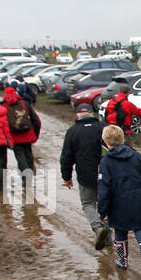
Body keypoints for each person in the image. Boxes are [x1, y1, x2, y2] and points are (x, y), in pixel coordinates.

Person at [97, 124, 141, 280]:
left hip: (118, 204)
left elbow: (104, 190)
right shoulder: (136, 156)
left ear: (106, 141)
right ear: (122, 138)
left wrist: (103, 211)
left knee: (120, 233)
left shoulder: (106, 162)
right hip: (140, 200)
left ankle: (123, 261)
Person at [61, 102, 110, 252]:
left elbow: (66, 157)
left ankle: (97, 227)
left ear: (78, 115)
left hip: (85, 174)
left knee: (88, 203)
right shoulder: (103, 127)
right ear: (92, 113)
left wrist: (66, 176)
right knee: (105, 203)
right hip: (106, 173)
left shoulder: (72, 131)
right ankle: (107, 236)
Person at [2, 85, 41, 174]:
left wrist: (6, 138)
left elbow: (1, 124)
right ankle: (31, 173)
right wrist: (35, 134)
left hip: (14, 137)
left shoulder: (3, 106)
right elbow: (36, 120)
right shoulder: (25, 104)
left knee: (20, 157)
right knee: (29, 154)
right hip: (27, 135)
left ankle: (25, 177)